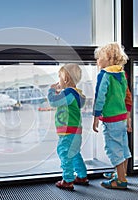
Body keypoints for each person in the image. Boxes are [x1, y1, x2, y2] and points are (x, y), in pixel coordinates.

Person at [92, 42, 132, 190]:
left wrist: (96, 116)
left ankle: (120, 181)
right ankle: (122, 175)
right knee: (123, 148)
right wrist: (128, 117)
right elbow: (127, 96)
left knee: (113, 148)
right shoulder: (122, 74)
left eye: (99, 58)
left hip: (111, 119)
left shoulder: (104, 75)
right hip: (121, 117)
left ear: (108, 58)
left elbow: (100, 97)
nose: (97, 61)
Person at [48, 63, 89, 191]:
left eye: (59, 77)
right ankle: (82, 176)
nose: (58, 80)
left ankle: (67, 180)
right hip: (76, 132)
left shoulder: (69, 93)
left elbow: (53, 101)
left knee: (64, 153)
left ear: (65, 79)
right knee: (75, 154)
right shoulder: (76, 94)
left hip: (68, 132)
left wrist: (51, 90)